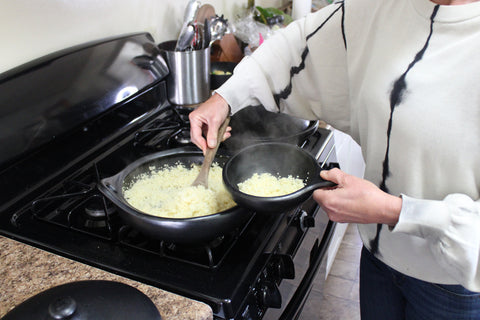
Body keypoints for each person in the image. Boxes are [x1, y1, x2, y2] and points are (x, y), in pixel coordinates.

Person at [189, 0, 480, 319]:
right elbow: (301, 43)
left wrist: (394, 210)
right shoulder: (384, 7)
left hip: (453, 281)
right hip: (377, 257)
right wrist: (225, 98)